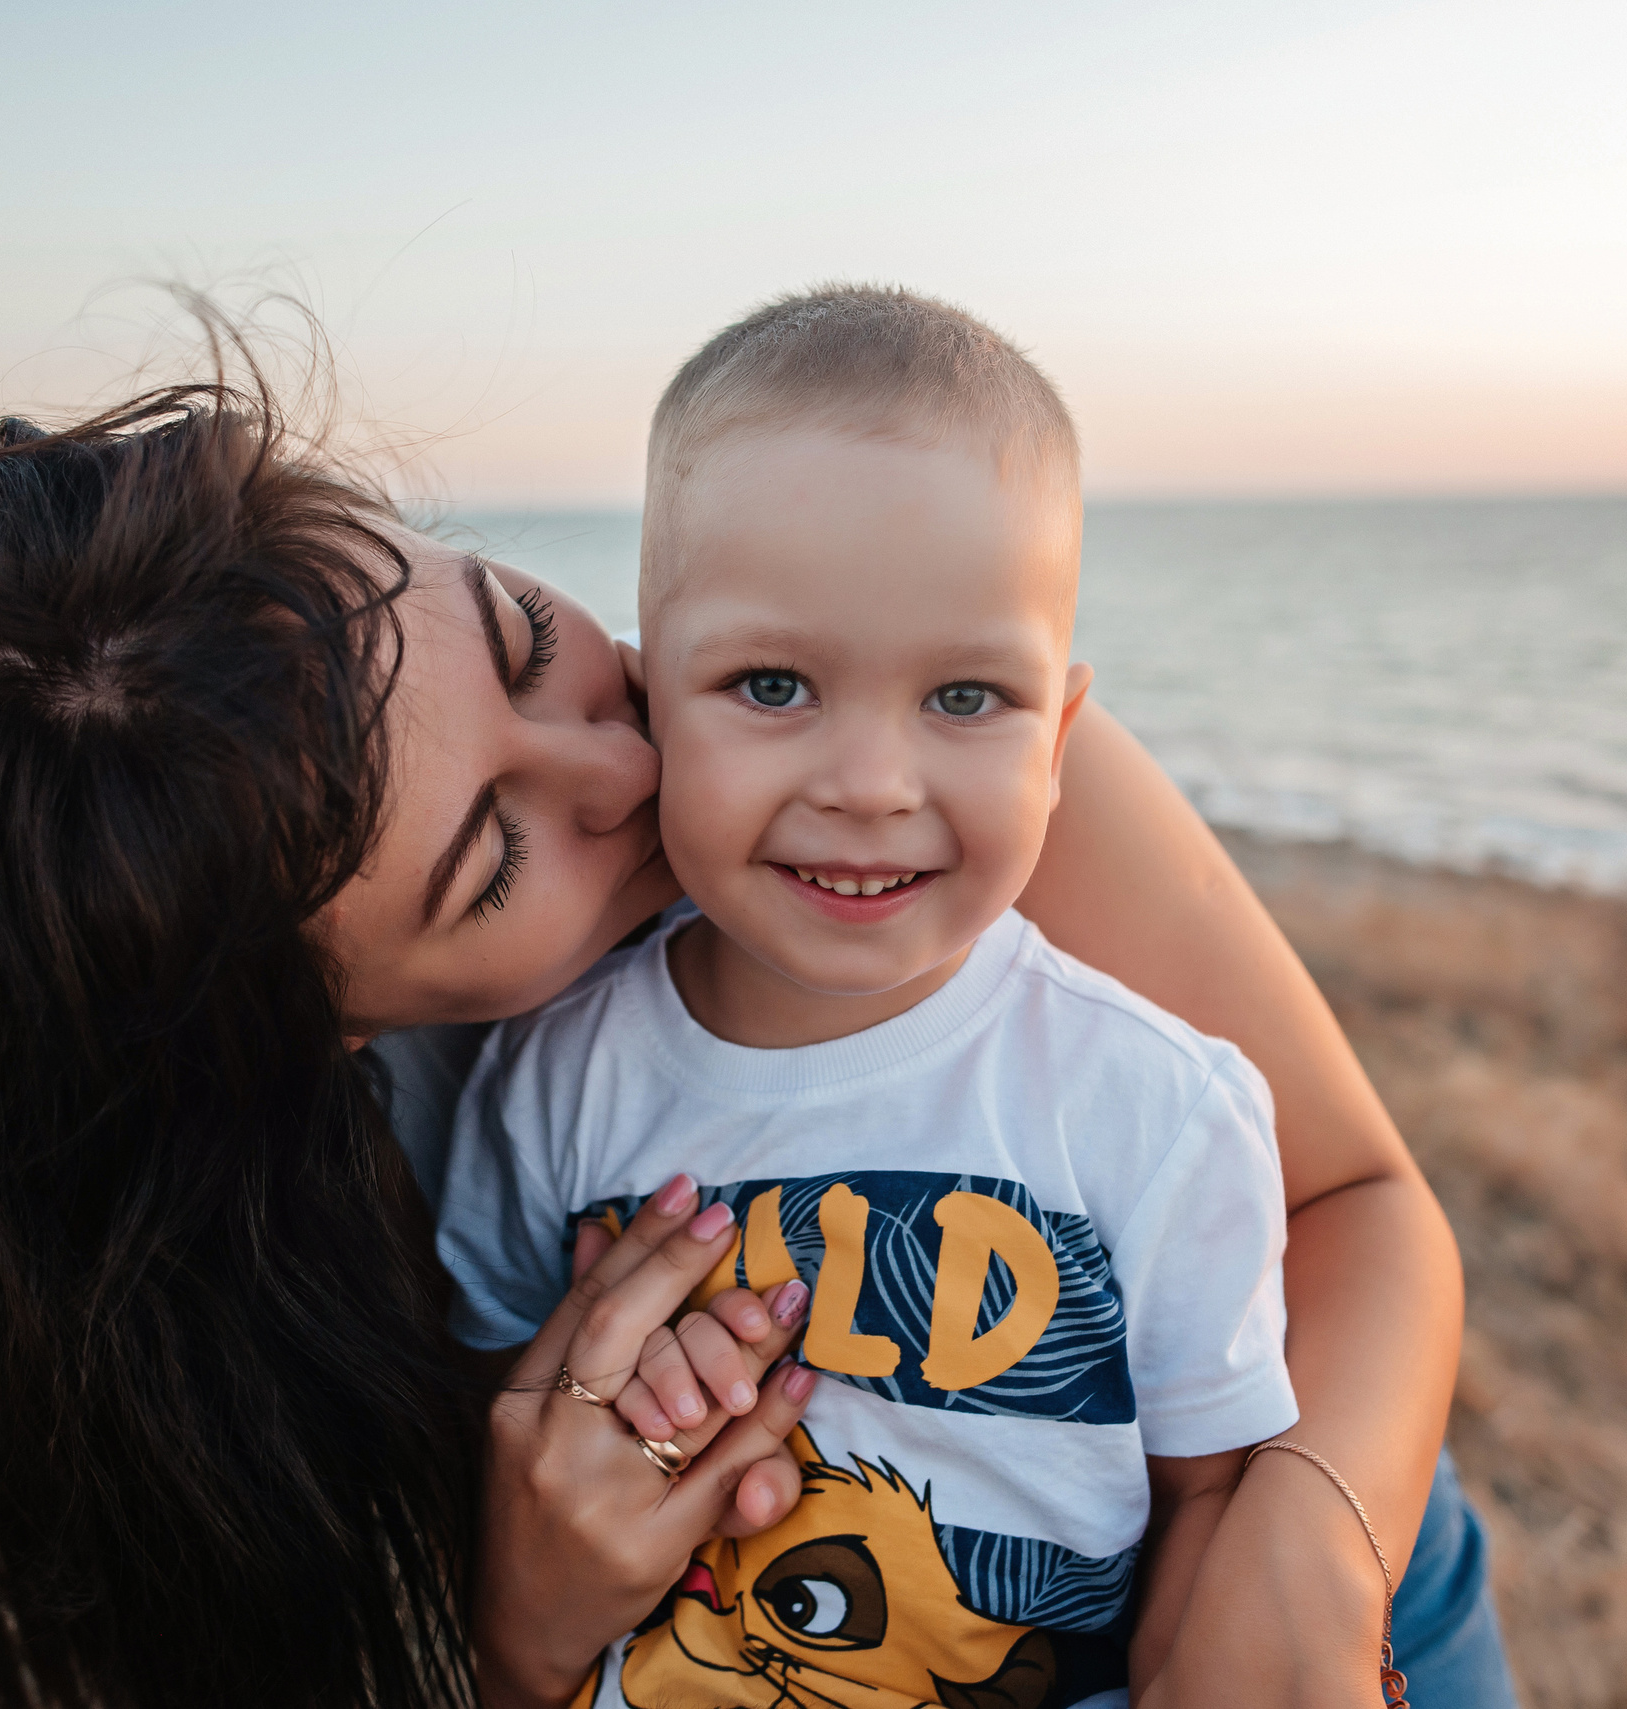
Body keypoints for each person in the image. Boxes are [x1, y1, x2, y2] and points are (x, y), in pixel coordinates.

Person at [0, 321, 1508, 1708]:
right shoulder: (349, 1230)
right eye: (490, 855)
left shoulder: (920, 770)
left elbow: (1359, 1203)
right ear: (342, 1044)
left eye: (530, 644)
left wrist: (1297, 1553)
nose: (626, 759)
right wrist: (528, 1619)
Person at [437, 286, 1296, 1709]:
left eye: (967, 699)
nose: (872, 783)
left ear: (1061, 736)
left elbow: (1213, 1500)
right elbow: (495, 1434)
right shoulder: (553, 1072)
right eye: (773, 682)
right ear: (654, 697)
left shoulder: (1155, 1106)